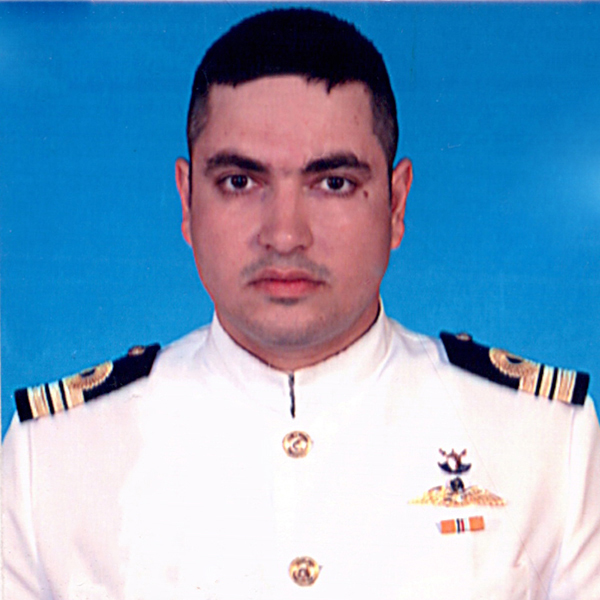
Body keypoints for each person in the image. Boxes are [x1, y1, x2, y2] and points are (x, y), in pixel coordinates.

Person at [3, 8, 599, 600]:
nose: (285, 235)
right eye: (240, 181)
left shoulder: (547, 443)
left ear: (395, 205)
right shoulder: (53, 457)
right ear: (187, 200)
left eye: (333, 182)